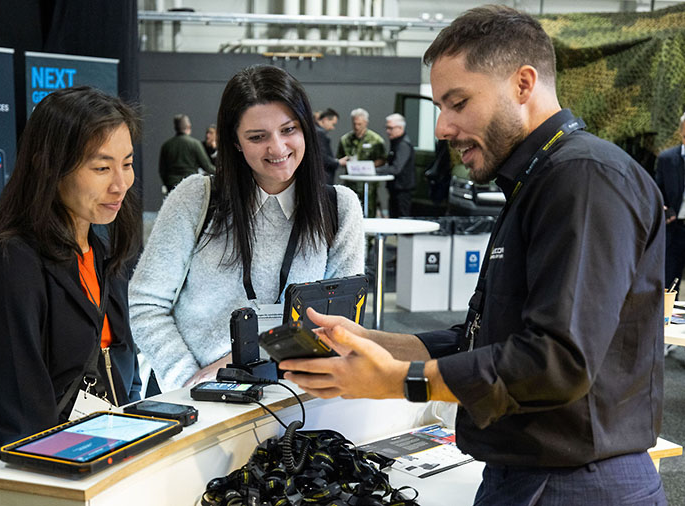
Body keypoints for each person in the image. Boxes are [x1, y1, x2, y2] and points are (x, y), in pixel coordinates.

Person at [281, 6, 667, 505]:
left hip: (574, 485)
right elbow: (494, 336)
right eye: (440, 106)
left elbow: (557, 361)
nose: (442, 127)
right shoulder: (539, 182)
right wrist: (379, 343)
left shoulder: (583, 179)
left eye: (458, 103)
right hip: (533, 476)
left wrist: (401, 380)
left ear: (523, 84)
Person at [129, 65, 364, 392]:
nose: (278, 148)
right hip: (196, 396)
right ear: (236, 143)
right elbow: (145, 304)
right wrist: (190, 384)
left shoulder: (339, 207)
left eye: (289, 129)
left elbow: (339, 321)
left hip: (296, 395)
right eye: (258, 137)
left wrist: (249, 362)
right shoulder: (197, 198)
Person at [0, 86, 143, 444]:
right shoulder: (12, 262)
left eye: (126, 164)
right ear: (49, 167)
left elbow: (124, 363)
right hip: (63, 463)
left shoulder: (101, 249)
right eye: (101, 167)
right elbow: (21, 407)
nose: (121, 184)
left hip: (116, 443)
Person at [337, 108, 387, 216]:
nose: (356, 127)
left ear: (366, 123)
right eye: (354, 124)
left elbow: (382, 159)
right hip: (351, 182)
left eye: (359, 124)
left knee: (369, 210)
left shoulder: (376, 140)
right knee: (349, 211)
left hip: (369, 184)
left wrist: (368, 166)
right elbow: (340, 158)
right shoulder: (345, 140)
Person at [655, 111, 685, 290]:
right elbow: (657, 193)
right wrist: (666, 210)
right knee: (668, 284)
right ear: (682, 132)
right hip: (674, 230)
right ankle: (666, 317)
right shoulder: (666, 159)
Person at [158, 114, 216, 192]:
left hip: (172, 185)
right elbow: (207, 166)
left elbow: (162, 170)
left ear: (175, 127)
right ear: (188, 126)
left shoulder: (166, 146)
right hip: (191, 185)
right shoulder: (195, 144)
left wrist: (168, 184)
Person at [379, 113, 416, 217]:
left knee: (402, 219)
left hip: (402, 189)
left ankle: (404, 234)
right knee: (394, 217)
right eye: (387, 128)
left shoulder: (403, 145)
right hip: (396, 188)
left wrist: (376, 170)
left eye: (390, 128)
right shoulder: (396, 142)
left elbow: (396, 168)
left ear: (400, 128)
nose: (387, 131)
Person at [315, 108, 340, 184]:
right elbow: (323, 158)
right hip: (322, 178)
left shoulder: (314, 130)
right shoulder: (320, 134)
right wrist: (338, 162)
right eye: (333, 124)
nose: (332, 128)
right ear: (325, 120)